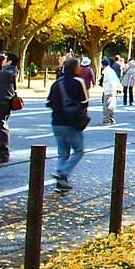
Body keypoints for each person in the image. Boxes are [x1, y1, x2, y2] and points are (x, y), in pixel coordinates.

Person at [46, 57, 89, 191]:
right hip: (72, 122)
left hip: (57, 121)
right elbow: (85, 102)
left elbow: (49, 102)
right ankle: (62, 173)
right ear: (76, 68)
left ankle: (61, 184)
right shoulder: (78, 81)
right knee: (79, 151)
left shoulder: (57, 83)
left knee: (63, 153)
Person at [0, 51, 20, 164]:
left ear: (10, 61)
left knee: (0, 128)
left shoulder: (7, 73)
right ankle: (3, 151)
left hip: (1, 103)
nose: (3, 59)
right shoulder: (10, 71)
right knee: (0, 127)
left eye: (5, 58)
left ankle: (4, 153)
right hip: (2, 102)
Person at [99, 56, 122, 126]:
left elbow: (111, 82)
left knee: (106, 106)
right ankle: (111, 118)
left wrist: (113, 90)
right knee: (110, 106)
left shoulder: (107, 72)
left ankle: (106, 120)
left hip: (109, 90)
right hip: (112, 90)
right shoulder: (111, 71)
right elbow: (116, 80)